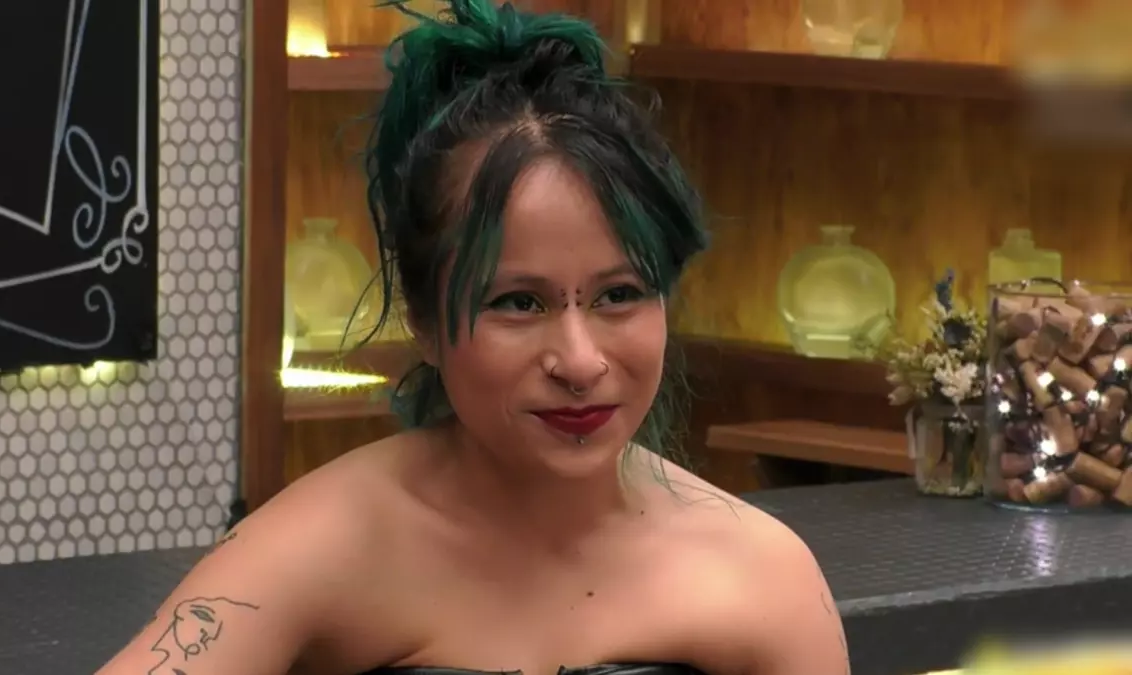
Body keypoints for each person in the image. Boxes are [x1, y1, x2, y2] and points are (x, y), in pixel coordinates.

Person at [97, 1, 849, 674]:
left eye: (619, 295)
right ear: (422, 318)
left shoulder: (760, 572)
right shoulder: (323, 543)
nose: (579, 361)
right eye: (518, 303)